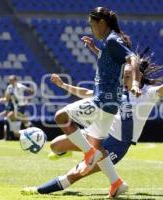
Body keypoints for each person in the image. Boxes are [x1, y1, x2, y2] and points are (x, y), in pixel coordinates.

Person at [21, 41, 163, 196]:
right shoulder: (116, 91)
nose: (123, 79)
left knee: (74, 174)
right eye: (123, 76)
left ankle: (37, 191)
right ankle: (69, 154)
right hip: (97, 134)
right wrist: (63, 85)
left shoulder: (149, 94)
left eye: (127, 77)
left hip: (116, 145)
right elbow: (87, 93)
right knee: (55, 145)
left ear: (138, 77)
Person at [52, 7, 142, 198]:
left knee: (61, 116)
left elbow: (132, 58)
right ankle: (116, 183)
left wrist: (134, 82)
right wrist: (95, 49)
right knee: (98, 146)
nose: (92, 29)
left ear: (102, 23)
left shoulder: (112, 40)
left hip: (103, 100)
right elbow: (112, 61)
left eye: (92, 25)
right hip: (111, 104)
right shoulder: (108, 43)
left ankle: (88, 154)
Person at [0, 75, 34, 140]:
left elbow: (31, 91)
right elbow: (7, 98)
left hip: (21, 106)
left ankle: (7, 137)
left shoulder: (20, 86)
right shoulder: (9, 88)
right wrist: (3, 100)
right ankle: (31, 131)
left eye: (12, 80)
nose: (10, 82)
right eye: (10, 80)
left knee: (9, 116)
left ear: (15, 80)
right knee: (22, 124)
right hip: (15, 107)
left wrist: (27, 100)